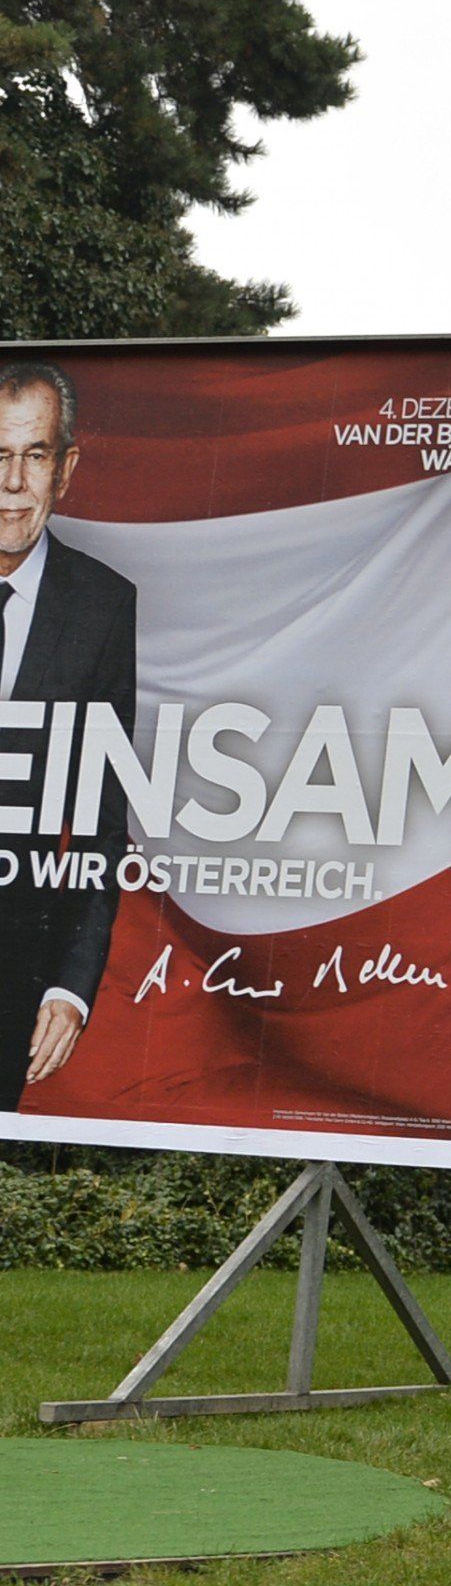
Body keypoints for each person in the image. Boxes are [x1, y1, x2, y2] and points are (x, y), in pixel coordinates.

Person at [0, 360, 136, 1115]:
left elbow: (101, 816)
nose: (14, 482)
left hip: (13, 974)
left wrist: (69, 982)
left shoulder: (105, 607)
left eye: (35, 454)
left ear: (66, 467)